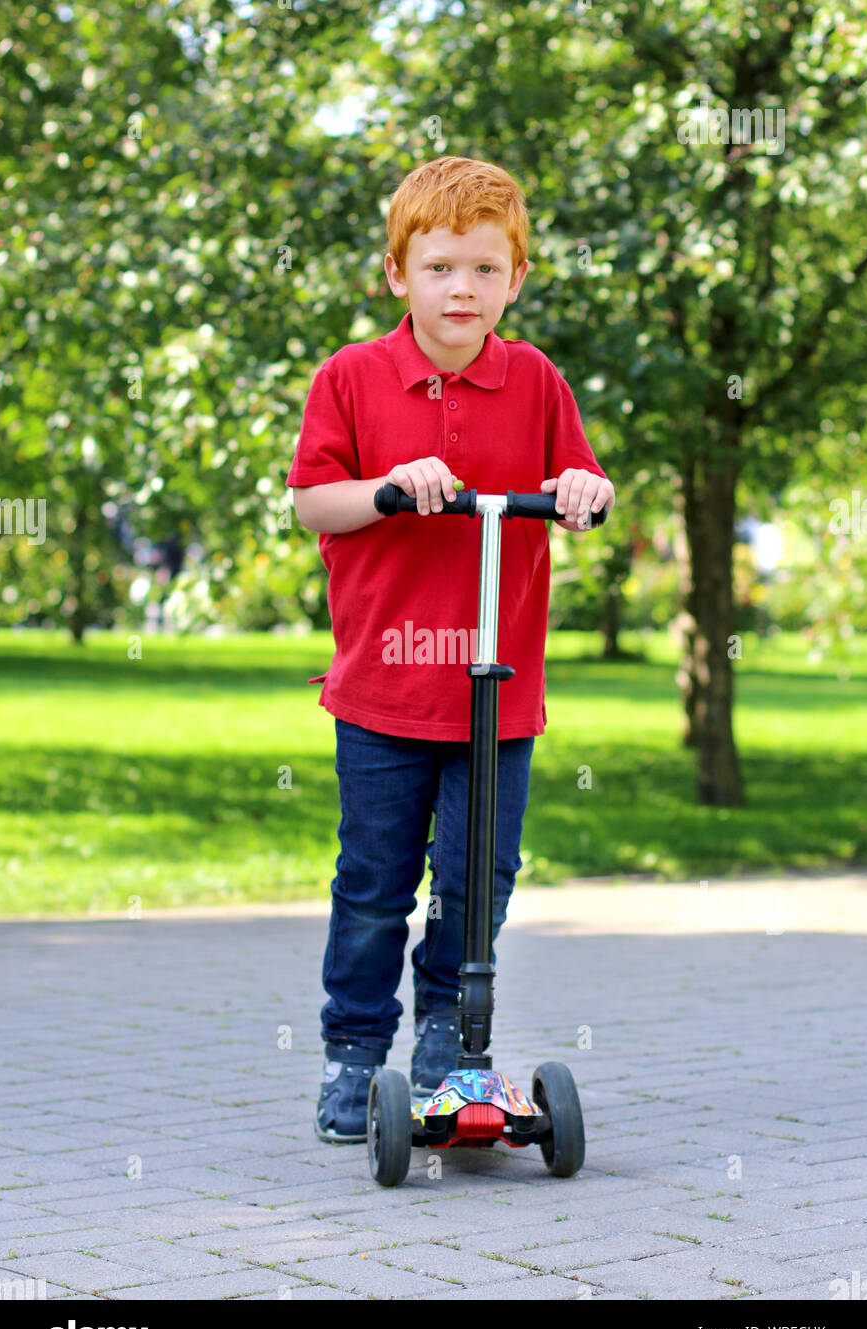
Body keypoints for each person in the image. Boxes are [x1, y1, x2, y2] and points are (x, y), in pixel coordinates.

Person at [287, 155, 615, 1143]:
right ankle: (353, 1054)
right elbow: (315, 501)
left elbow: (579, 476)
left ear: (515, 277)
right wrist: (389, 484)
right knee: (375, 881)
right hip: (385, 690)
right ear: (398, 274)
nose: (461, 287)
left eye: (483, 268)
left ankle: (447, 1041)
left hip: (496, 695)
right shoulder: (351, 378)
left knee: (482, 881)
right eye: (439, 267)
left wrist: (586, 491)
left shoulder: (536, 380)